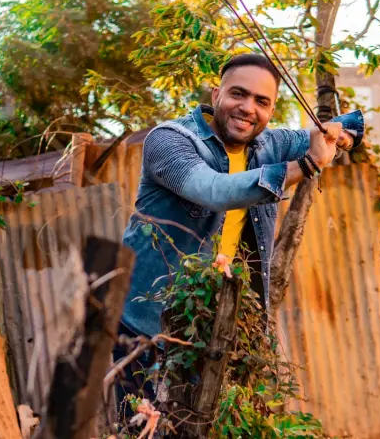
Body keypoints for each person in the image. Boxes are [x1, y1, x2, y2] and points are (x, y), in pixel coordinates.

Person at [112, 53, 364, 406]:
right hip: (147, 328)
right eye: (238, 94)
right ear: (216, 94)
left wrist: (341, 135)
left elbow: (349, 124)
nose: (248, 108)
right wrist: (306, 164)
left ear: (271, 110)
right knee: (143, 425)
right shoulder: (170, 140)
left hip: (213, 328)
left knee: (207, 423)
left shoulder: (270, 144)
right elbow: (215, 191)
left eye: (261, 101)